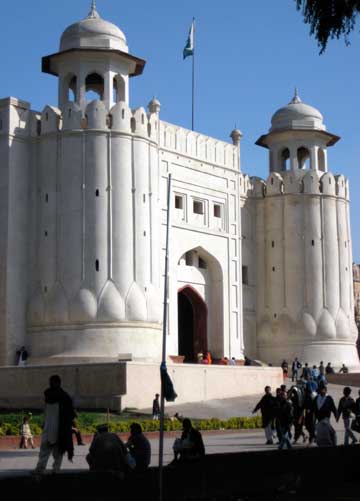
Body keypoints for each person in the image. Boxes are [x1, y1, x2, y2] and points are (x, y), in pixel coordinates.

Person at [33, 375, 75, 475]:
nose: (50, 384)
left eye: (52, 382)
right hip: (51, 427)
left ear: (57, 383)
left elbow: (69, 414)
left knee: (56, 451)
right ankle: (45, 469)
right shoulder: (54, 395)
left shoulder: (62, 397)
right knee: (47, 450)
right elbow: (47, 411)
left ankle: (53, 470)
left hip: (59, 428)